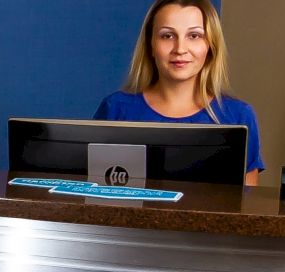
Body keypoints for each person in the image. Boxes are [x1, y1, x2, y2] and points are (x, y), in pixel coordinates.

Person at [95, 0, 266, 186]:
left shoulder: (238, 116)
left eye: (194, 35)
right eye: (167, 36)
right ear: (151, 45)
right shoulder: (116, 108)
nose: (180, 49)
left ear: (210, 46)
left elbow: (245, 205)